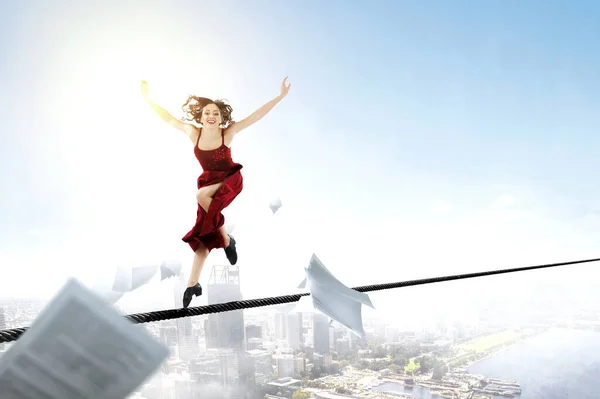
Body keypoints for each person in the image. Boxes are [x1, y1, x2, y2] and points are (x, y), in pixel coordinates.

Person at [141, 77, 291, 308]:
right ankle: (194, 283)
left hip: (229, 180)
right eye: (207, 112)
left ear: (221, 118)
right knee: (203, 237)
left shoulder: (227, 133)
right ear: (201, 117)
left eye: (216, 113)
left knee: (201, 196)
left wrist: (280, 97)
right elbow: (168, 118)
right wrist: (147, 99)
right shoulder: (193, 132)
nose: (212, 116)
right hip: (208, 184)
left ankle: (226, 240)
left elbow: (256, 116)